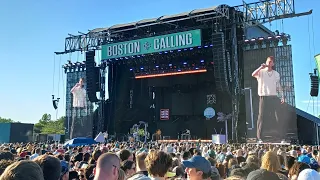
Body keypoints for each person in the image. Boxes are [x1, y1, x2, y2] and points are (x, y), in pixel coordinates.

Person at [252, 56, 285, 143]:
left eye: (271, 62)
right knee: (261, 116)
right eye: (268, 61)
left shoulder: (276, 74)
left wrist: (282, 96)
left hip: (273, 96)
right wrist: (260, 67)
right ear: (266, 62)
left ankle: (281, 138)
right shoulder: (261, 72)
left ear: (273, 64)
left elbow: (278, 85)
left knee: (278, 116)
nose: (269, 63)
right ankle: (259, 138)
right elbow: (253, 74)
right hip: (263, 96)